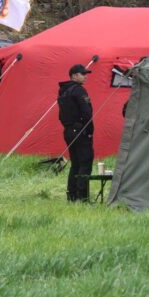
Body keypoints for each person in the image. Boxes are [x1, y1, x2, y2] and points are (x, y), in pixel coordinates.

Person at [58, 63, 95, 202]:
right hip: (80, 131)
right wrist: (90, 130)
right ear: (74, 76)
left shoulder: (63, 90)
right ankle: (83, 198)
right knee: (85, 162)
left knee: (75, 164)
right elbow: (87, 112)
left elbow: (61, 115)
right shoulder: (79, 90)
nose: (85, 76)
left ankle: (72, 196)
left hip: (68, 130)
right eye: (83, 74)